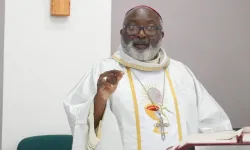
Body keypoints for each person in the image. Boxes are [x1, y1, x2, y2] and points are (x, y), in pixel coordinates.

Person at [64, 5, 232, 150]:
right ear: (122, 33)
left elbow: (214, 125)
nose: (141, 34)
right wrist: (100, 99)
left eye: (151, 28)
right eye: (132, 27)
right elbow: (80, 120)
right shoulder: (105, 71)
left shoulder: (181, 73)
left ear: (161, 35)